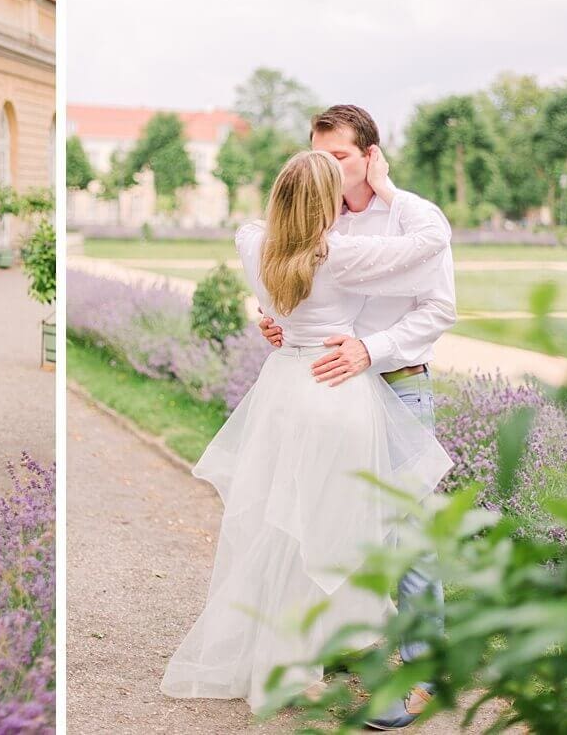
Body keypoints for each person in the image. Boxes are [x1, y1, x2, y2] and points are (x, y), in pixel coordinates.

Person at [159, 149, 453, 712]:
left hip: (281, 393)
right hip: (335, 393)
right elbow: (432, 237)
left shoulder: (254, 244)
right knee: (330, 533)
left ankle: (287, 660)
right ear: (325, 202)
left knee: (284, 529)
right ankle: (323, 665)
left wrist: (276, 313)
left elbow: (258, 232)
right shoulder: (339, 254)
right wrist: (385, 184)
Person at [263, 105, 457, 728]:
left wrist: (369, 350)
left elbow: (438, 309)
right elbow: (287, 283)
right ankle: (350, 647)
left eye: (340, 156)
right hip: (332, 399)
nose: (327, 166)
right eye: (319, 155)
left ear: (371, 154)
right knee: (327, 524)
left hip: (394, 385)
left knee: (405, 538)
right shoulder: (316, 220)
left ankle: (421, 673)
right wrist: (280, 322)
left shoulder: (413, 215)